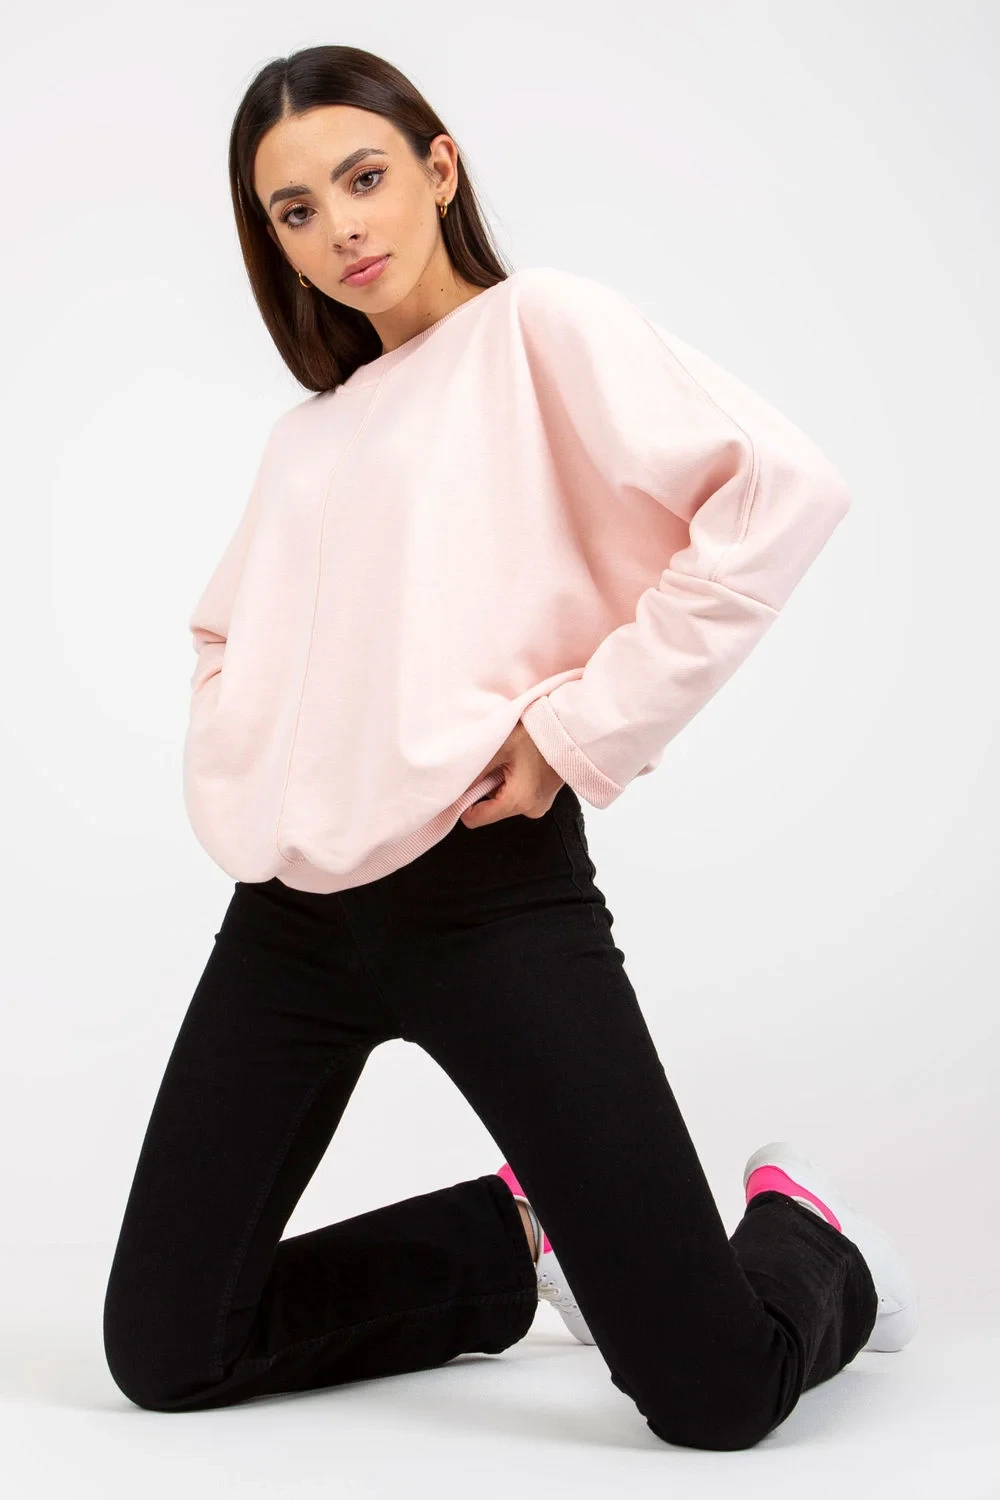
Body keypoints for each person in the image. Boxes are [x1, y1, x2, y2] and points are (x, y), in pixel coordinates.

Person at [101, 43, 917, 1450]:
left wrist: (578, 730)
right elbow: (226, 639)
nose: (340, 227)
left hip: (490, 896)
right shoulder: (311, 439)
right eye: (296, 209)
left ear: (438, 168)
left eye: (363, 177)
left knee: (716, 1397)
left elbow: (779, 497)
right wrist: (258, 782)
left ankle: (809, 1239)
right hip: (291, 926)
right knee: (165, 1351)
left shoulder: (539, 326)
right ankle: (509, 1242)